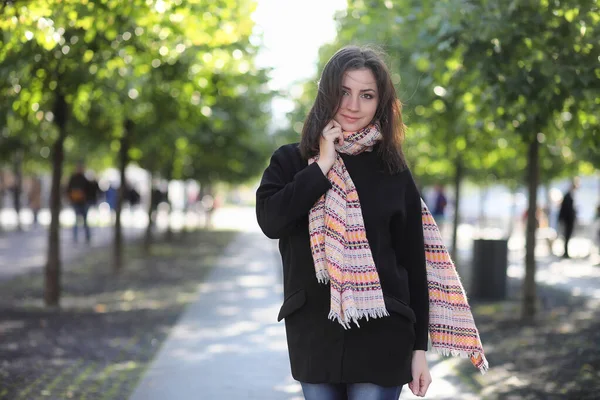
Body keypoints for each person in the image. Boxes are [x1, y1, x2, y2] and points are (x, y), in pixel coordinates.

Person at [256, 46, 432, 399]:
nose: (353, 105)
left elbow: (414, 261)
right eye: (344, 92)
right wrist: (322, 164)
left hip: (383, 333)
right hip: (314, 333)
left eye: (366, 95)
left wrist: (419, 351)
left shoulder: (393, 171)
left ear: (380, 103)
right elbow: (272, 221)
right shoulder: (290, 161)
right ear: (327, 95)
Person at [66, 161, 92, 243]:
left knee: (85, 220)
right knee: (77, 220)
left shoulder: (85, 179)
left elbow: (89, 191)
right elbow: (68, 190)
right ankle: (75, 238)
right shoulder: (73, 179)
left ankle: (87, 237)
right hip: (76, 202)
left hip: (84, 202)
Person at [558, 178, 579, 258]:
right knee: (566, 236)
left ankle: (566, 252)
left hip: (568, 220)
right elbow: (565, 209)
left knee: (567, 236)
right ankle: (565, 253)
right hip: (567, 220)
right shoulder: (568, 195)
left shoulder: (570, 195)